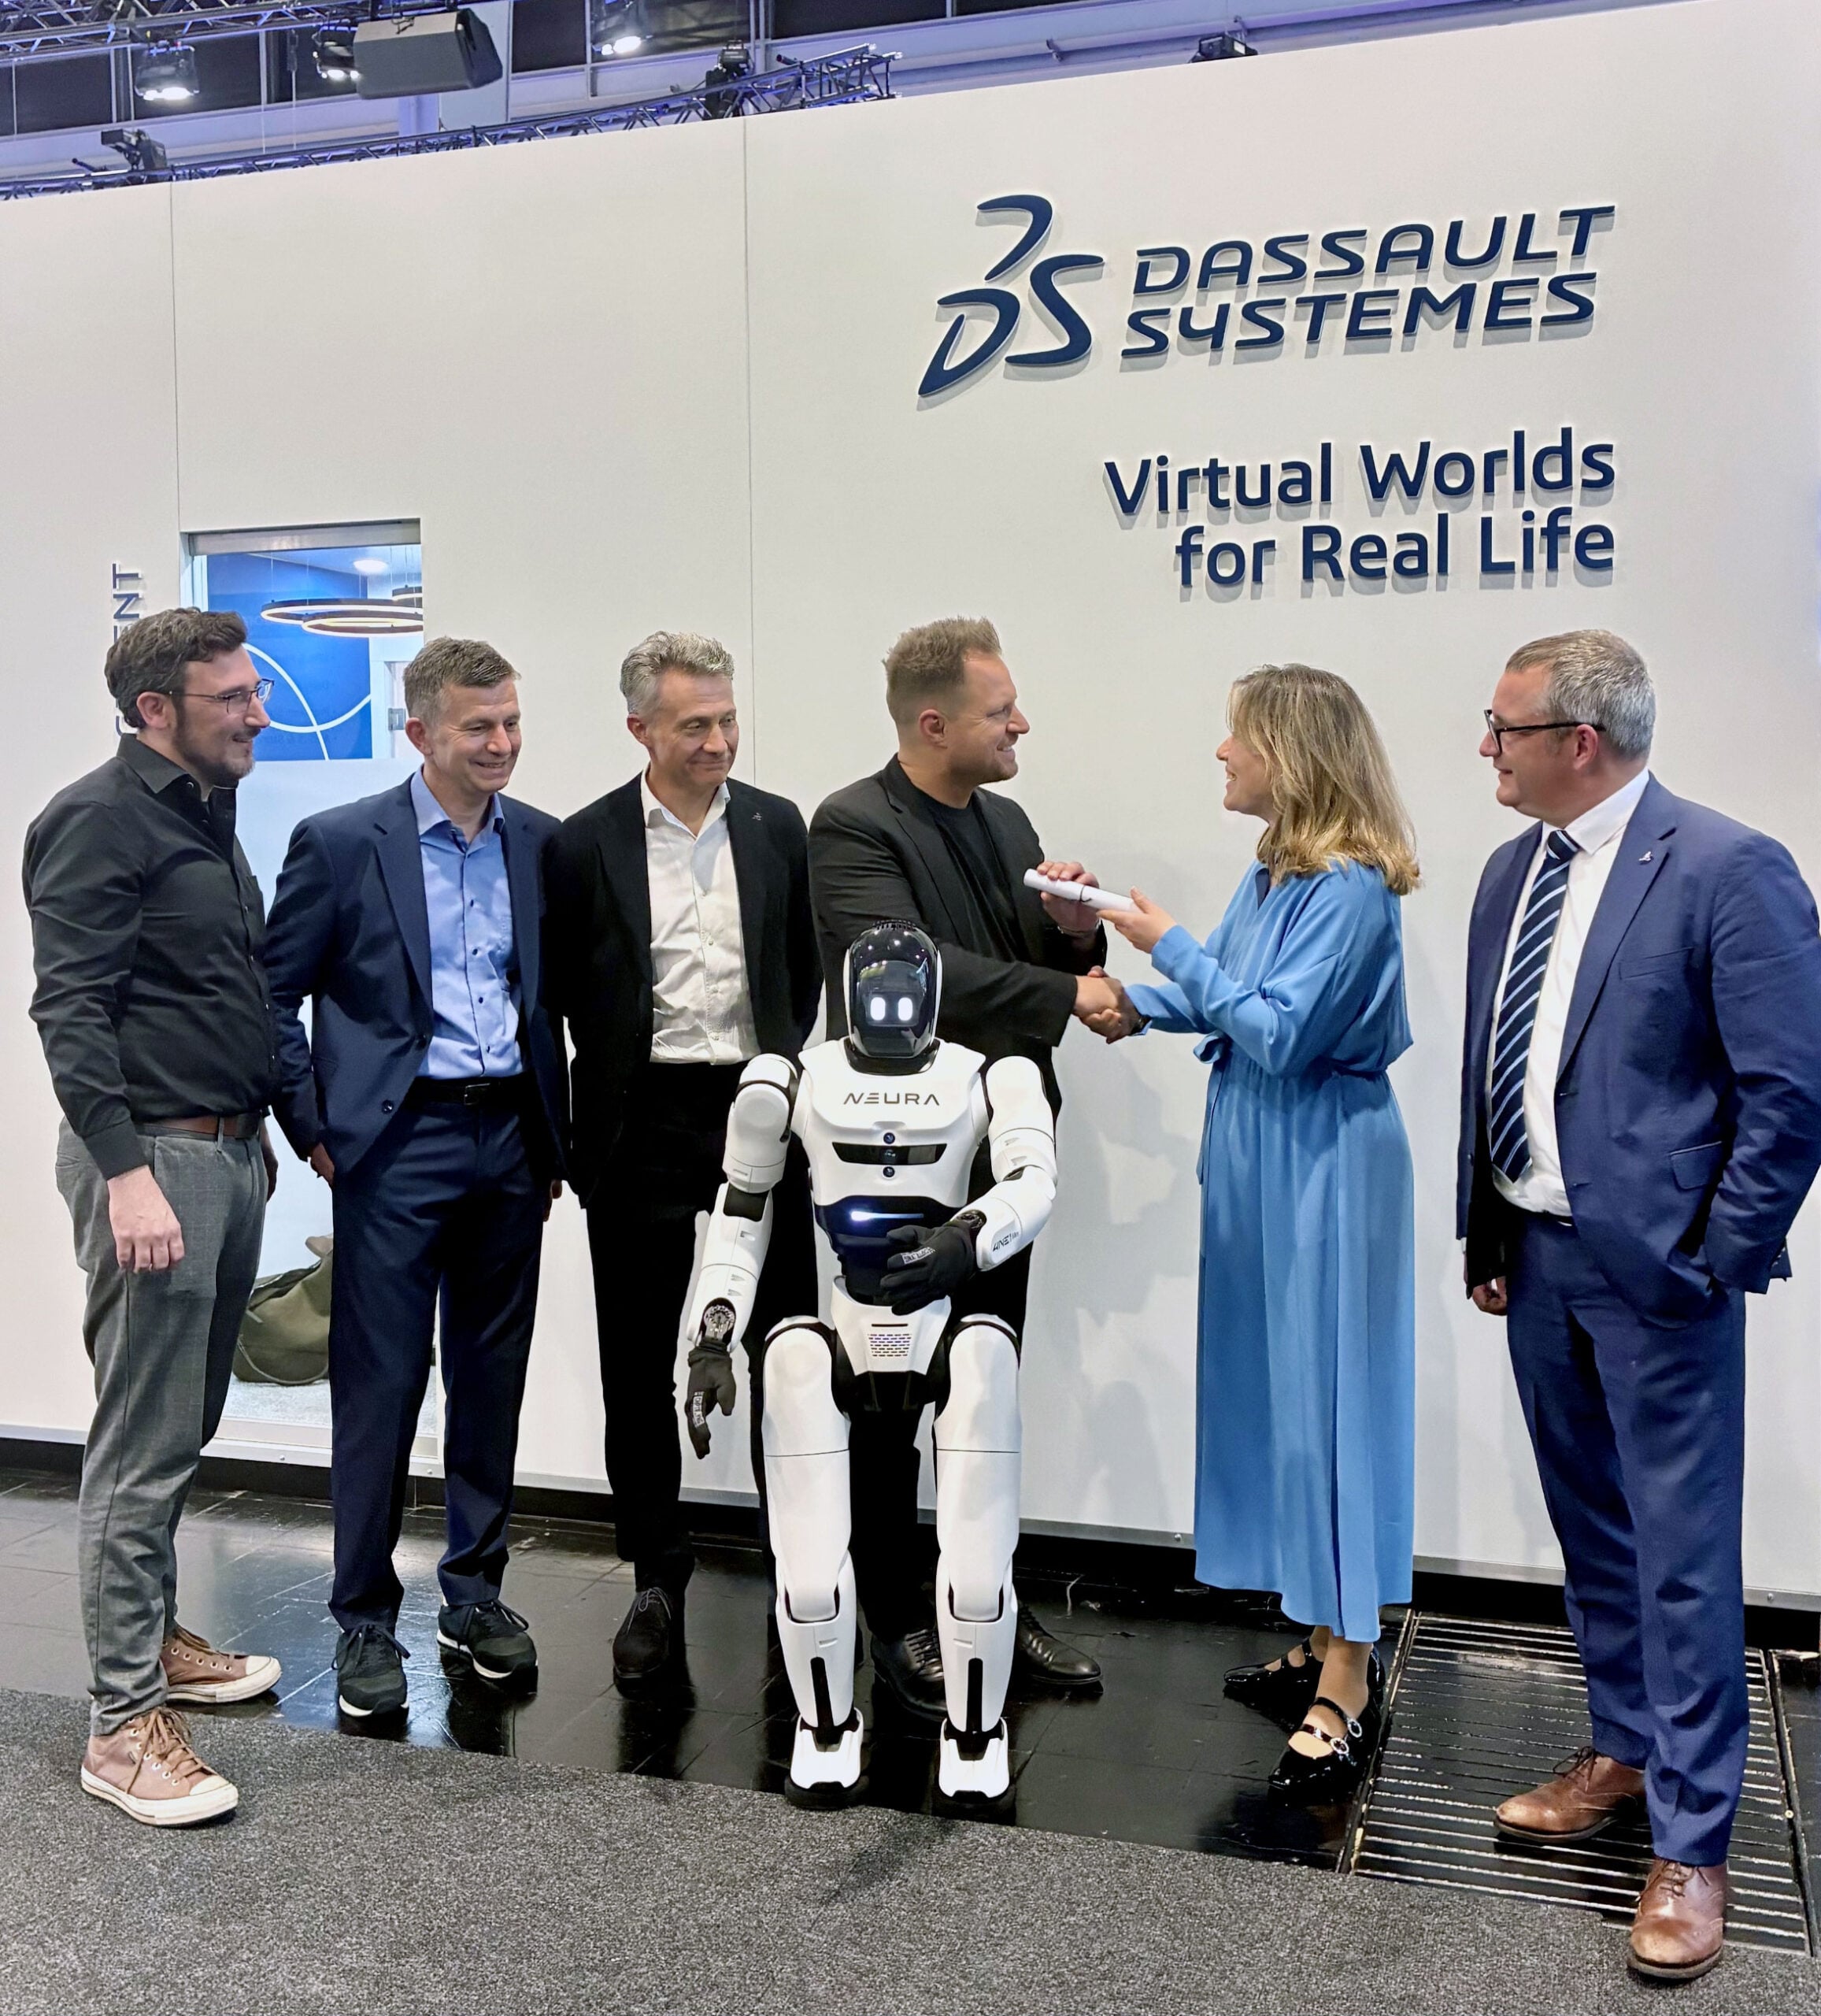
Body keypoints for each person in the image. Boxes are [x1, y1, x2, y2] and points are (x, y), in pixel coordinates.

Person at [1459, 630, 1821, 1984]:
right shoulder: (1511, 872)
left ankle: (1692, 1844)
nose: (1483, 749)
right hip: (1538, 1259)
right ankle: (1621, 1749)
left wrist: (1714, 1256)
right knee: (1594, 1533)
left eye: (1501, 729)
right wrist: (1488, 1228)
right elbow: (1496, 1062)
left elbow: (1791, 1092)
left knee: (1680, 1557)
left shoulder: (1728, 868)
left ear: (1579, 741)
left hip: (1660, 1276)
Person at [1090, 662, 1417, 1803]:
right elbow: (1224, 991)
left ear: (1293, 753)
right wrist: (1130, 996)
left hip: (1325, 1158)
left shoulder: (1352, 888)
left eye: (1239, 737)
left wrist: (1166, 945)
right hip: (1264, 1149)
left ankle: (1350, 1670)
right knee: (1279, 1398)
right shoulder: (1279, 870)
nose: (1222, 755)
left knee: (1332, 1405)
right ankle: (1320, 1630)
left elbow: (1277, 1031)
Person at [679, 924, 1057, 1806]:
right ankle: (824, 1728)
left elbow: (1033, 1181)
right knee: (810, 1565)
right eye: (874, 993)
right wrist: (713, 1333)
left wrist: (967, 1238)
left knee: (975, 1568)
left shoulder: (990, 1075)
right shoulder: (790, 1080)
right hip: (842, 1326)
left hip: (944, 1322)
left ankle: (975, 1732)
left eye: (903, 994)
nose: (889, 1009)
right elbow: (741, 1210)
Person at [808, 616, 1110, 1714]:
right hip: (895, 1167)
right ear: (933, 725)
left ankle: (988, 1604)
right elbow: (920, 975)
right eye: (1001, 711)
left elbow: (1018, 966)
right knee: (889, 1402)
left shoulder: (1006, 818)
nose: (1021, 724)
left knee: (985, 1396)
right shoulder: (851, 827)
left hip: (1000, 1164)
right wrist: (1070, 989)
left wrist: (1073, 934)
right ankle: (896, 1614)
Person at [264, 637, 567, 1718]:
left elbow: (554, 995)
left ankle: (474, 1597)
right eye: (479, 726)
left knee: (491, 1380)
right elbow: (273, 994)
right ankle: (362, 1618)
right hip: (396, 1146)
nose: (501, 743)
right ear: (421, 733)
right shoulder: (343, 842)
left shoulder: (540, 842)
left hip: (510, 1139)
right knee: (381, 1386)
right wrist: (314, 1125)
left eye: (511, 721)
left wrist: (555, 1140)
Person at [25, 607, 284, 1827]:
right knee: (138, 1447)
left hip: (228, 1156)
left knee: (181, 1429)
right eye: (232, 697)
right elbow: (70, 1008)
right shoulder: (95, 818)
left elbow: (230, 991)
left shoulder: (206, 814)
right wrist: (126, 1174)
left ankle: (155, 1643)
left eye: (252, 692)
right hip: (154, 1165)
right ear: (154, 711)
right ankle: (122, 1726)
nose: (257, 713)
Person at [542, 632, 820, 1688]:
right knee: (637, 1365)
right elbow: (561, 995)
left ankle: (801, 1565)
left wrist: (780, 1074)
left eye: (726, 719)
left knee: (788, 1350)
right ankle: (657, 1578)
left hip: (760, 1110)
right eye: (694, 724)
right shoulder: (584, 843)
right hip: (639, 1122)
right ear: (640, 730)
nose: (717, 741)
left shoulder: (777, 826)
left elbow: (802, 971)